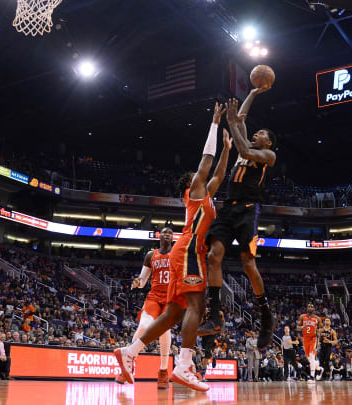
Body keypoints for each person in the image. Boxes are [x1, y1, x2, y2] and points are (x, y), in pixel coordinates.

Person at [114, 102, 232, 392]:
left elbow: (218, 174)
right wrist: (215, 124)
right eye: (197, 175)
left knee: (173, 314)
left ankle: (130, 352)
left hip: (188, 252)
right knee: (195, 305)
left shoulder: (206, 195)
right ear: (189, 184)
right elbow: (207, 159)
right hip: (190, 250)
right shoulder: (194, 191)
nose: (202, 175)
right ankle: (183, 365)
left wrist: (228, 149)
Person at [198, 90, 278, 352]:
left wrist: (233, 123)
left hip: (248, 209)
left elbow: (240, 135)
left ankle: (266, 315)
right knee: (213, 256)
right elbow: (241, 118)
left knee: (247, 262)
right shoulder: (247, 148)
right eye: (256, 133)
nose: (256, 134)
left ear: (268, 143)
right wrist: (253, 92)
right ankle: (214, 315)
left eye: (262, 133)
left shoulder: (267, 156)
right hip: (228, 208)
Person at [115, 227, 174, 388]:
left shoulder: (177, 254)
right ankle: (129, 363)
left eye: (170, 232)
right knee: (143, 326)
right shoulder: (150, 255)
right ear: (159, 236)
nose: (167, 234)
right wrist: (137, 282)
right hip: (154, 297)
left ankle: (163, 371)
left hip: (170, 299)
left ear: (172, 237)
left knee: (165, 331)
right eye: (164, 232)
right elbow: (142, 281)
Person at [297, 304, 322, 383]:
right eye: (309, 306)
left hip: (313, 339)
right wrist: (301, 327)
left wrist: (318, 332)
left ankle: (312, 376)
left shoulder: (317, 318)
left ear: (314, 308)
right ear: (307, 308)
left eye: (312, 306)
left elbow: (321, 328)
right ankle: (319, 369)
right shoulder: (302, 316)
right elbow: (297, 327)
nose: (310, 308)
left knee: (311, 356)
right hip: (305, 339)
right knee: (308, 358)